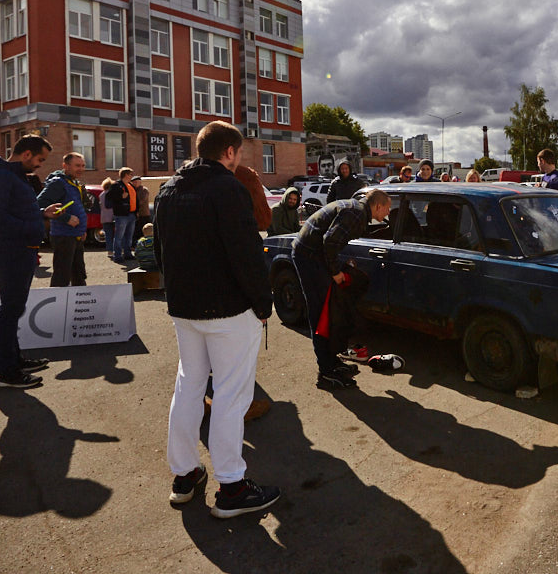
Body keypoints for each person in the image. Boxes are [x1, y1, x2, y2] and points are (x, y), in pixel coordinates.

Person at [153, 120, 280, 517]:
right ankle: (232, 486)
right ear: (229, 152)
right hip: (227, 308)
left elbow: (160, 249)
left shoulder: (171, 187)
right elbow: (245, 253)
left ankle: (185, 474)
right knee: (231, 393)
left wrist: (176, 295)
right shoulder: (227, 187)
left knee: (189, 385)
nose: (238, 158)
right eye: (238, 152)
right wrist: (263, 303)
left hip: (185, 307)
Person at [0, 135, 63, 389]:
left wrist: (41, 214)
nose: (40, 165)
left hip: (21, 249)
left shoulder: (12, 176)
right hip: (12, 250)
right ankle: (8, 374)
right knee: (9, 311)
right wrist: (32, 226)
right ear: (26, 153)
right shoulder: (0, 176)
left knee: (14, 310)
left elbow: (13, 210)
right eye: (40, 159)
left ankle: (15, 361)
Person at [292, 189, 392, 390]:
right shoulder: (356, 213)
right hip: (308, 256)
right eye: (387, 209)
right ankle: (326, 372)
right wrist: (336, 271)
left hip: (312, 253)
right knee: (321, 313)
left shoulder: (356, 209)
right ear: (378, 206)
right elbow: (329, 242)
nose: (387, 214)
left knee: (329, 308)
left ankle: (331, 361)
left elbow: (331, 241)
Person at [37, 152, 88, 287]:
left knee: (79, 274)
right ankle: (57, 306)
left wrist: (81, 229)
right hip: (63, 236)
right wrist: (65, 218)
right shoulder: (57, 183)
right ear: (65, 166)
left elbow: (76, 207)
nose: (81, 169)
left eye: (83, 165)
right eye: (77, 165)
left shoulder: (73, 182)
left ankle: (80, 305)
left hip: (75, 236)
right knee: (62, 276)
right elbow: (39, 205)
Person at [108, 167, 137, 263]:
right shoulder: (116, 185)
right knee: (119, 236)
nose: (131, 176)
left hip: (131, 214)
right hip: (121, 215)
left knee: (129, 236)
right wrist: (120, 197)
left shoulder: (130, 186)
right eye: (130, 174)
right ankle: (118, 255)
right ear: (125, 175)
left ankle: (128, 254)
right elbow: (109, 198)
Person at [99, 177, 115, 259]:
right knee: (116, 235)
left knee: (108, 235)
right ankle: (117, 250)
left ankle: (110, 251)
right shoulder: (112, 194)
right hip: (113, 216)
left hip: (104, 217)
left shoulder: (101, 195)